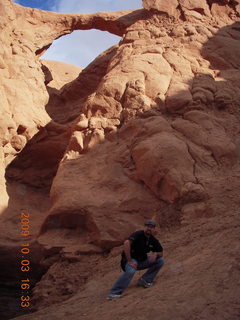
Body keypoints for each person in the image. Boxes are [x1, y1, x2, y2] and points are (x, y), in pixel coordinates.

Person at [107, 220, 164, 299]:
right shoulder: (138, 234)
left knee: (160, 260)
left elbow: (161, 252)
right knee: (131, 271)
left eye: (151, 227)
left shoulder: (153, 240)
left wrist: (156, 254)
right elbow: (126, 243)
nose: (149, 229)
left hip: (141, 261)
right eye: (148, 226)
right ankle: (114, 293)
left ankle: (145, 280)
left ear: (154, 229)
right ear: (144, 227)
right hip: (130, 261)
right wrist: (129, 260)